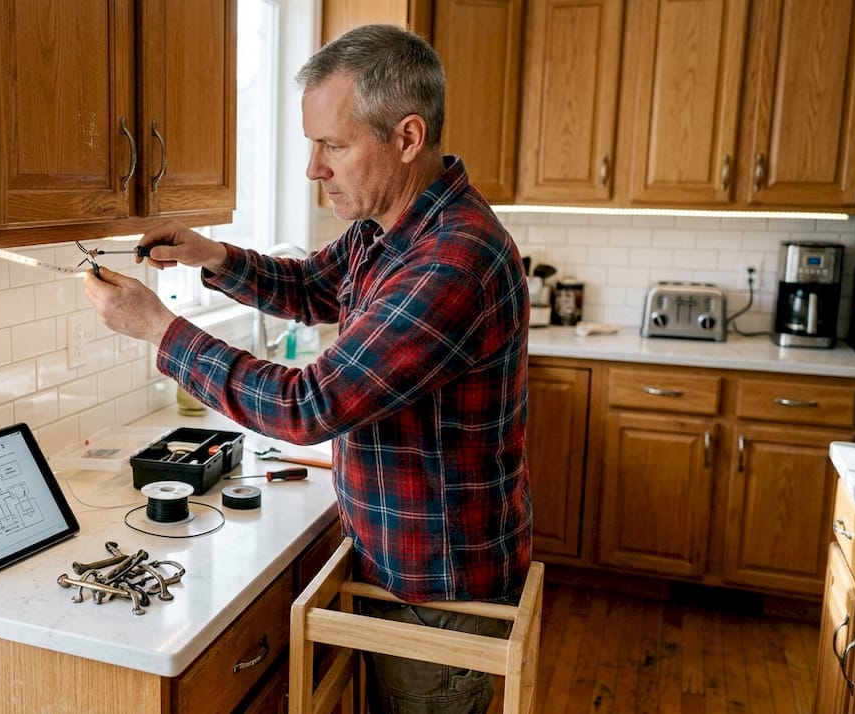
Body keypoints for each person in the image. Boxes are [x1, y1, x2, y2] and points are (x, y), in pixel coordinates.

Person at [84, 23, 530, 714]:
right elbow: (311, 288)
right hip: (400, 562)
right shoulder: (388, 229)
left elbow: (307, 406)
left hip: (439, 590)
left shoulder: (453, 260)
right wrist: (214, 255)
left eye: (334, 145)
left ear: (407, 138)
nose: (313, 168)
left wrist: (160, 331)